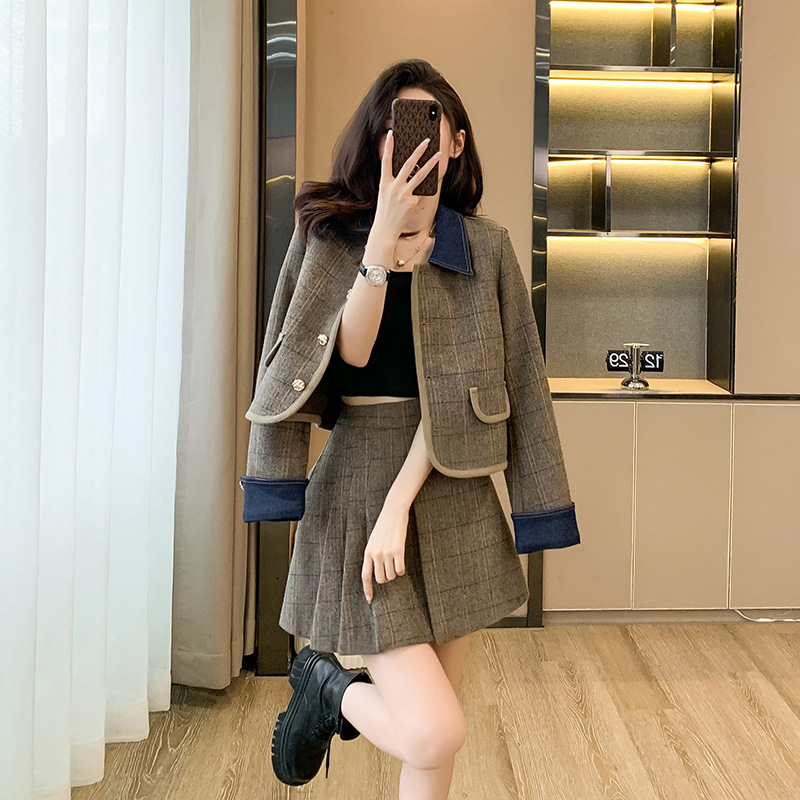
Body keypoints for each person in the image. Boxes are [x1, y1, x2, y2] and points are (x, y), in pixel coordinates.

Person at [259, 58, 574, 798]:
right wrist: (380, 240)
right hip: (355, 489)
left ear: (457, 142)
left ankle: (326, 685)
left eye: (433, 123)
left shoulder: (484, 247)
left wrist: (411, 503)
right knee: (435, 730)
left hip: (451, 484)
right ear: (377, 142)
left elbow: (506, 381)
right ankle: (327, 685)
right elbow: (349, 355)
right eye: (396, 126)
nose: (414, 140)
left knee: (432, 746)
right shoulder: (330, 239)